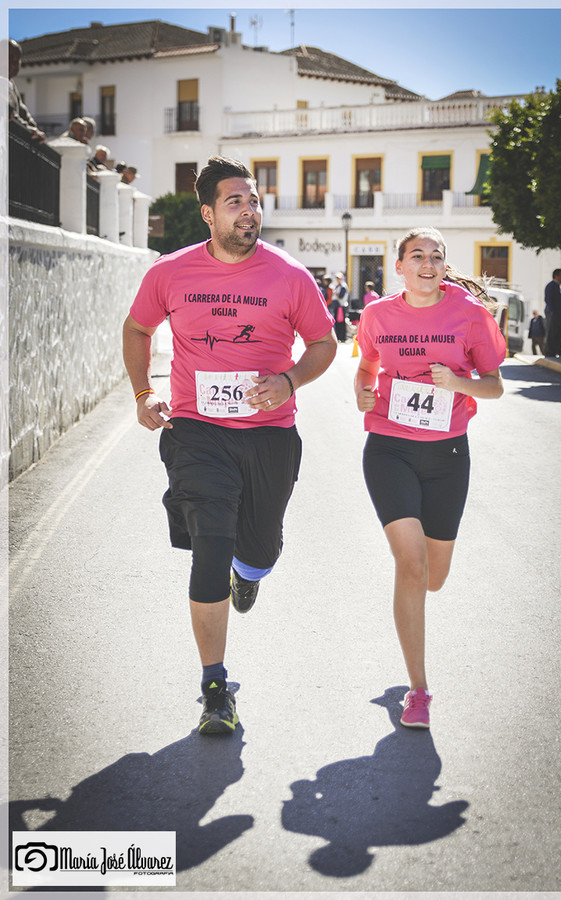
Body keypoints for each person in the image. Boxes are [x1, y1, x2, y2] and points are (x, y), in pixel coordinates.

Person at [123, 156, 336, 735]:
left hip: (269, 435)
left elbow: (323, 343)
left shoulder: (290, 275)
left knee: (258, 551)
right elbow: (138, 328)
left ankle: (253, 569)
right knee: (208, 549)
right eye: (236, 201)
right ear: (208, 213)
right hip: (196, 432)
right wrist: (144, 392)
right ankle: (214, 688)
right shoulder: (171, 272)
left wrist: (289, 380)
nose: (249, 209)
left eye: (254, 200)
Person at [355, 226, 505, 729]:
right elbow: (367, 367)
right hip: (389, 448)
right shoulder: (377, 315)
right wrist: (363, 391)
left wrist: (457, 381)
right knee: (412, 564)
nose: (427, 262)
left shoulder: (470, 316)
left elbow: (495, 387)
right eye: (416, 254)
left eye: (436, 256)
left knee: (434, 578)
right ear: (399, 266)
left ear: (444, 266)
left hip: (448, 455)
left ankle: (416, 585)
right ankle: (418, 690)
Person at [8, 39, 46, 143]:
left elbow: (22, 111)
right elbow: (9, 113)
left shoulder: (11, 84)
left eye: (17, 60)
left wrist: (34, 128)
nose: (13, 64)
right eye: (10, 58)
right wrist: (28, 130)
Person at [544, 268, 561, 357]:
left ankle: (557, 350)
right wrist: (553, 311)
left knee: (559, 333)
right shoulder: (551, 286)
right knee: (552, 332)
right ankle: (550, 351)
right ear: (556, 276)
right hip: (553, 313)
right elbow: (548, 299)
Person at [332, 272, 349, 342]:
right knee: (337, 322)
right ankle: (338, 336)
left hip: (341, 306)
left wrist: (336, 294)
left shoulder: (343, 287)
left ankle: (342, 337)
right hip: (337, 306)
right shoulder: (337, 286)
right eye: (337, 278)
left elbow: (340, 296)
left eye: (339, 278)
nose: (337, 280)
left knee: (341, 322)